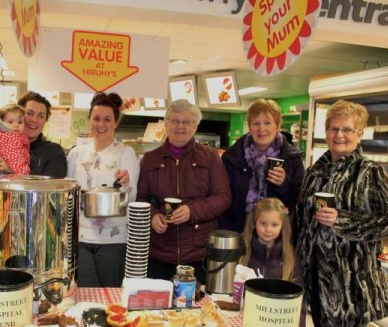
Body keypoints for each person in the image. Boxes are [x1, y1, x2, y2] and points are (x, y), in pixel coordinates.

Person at [296, 100, 388, 327]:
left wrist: (343, 220)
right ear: (325, 131)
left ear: (360, 132)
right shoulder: (315, 170)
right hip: (319, 283)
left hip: (350, 286)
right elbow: (301, 219)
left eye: (347, 129)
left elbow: (387, 221)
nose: (339, 134)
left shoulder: (369, 172)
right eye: (333, 128)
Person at [0, 91, 67, 272]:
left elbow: (49, 194)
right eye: (29, 113)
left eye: (41, 116)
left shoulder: (53, 152)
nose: (33, 120)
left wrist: (12, 172)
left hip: (28, 242)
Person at [136, 99, 231, 283]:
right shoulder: (150, 159)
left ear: (195, 126)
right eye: (175, 120)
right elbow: (141, 199)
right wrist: (153, 216)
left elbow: (223, 197)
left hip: (198, 255)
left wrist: (191, 211)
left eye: (187, 121)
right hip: (159, 254)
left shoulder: (211, 157)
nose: (180, 126)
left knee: (197, 309)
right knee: (156, 310)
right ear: (166, 123)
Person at [67, 92, 139, 287]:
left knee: (112, 294)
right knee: (84, 293)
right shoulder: (76, 153)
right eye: (96, 118)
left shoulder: (125, 153)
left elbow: (132, 198)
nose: (101, 124)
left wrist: (126, 182)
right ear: (89, 120)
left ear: (115, 122)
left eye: (107, 119)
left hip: (114, 239)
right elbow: (67, 194)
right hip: (80, 237)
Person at [220, 99, 304, 233]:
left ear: (277, 126)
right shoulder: (232, 157)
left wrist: (285, 183)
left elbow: (301, 201)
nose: (261, 129)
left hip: (276, 240)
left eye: (267, 123)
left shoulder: (292, 158)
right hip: (239, 235)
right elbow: (223, 199)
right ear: (249, 126)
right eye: (256, 123)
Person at [239, 198, 306, 327]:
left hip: (276, 322)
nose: (268, 229)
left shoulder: (289, 255)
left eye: (274, 225)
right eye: (263, 223)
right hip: (245, 319)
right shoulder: (241, 250)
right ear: (254, 223)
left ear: (282, 226)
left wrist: (299, 322)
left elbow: (299, 293)